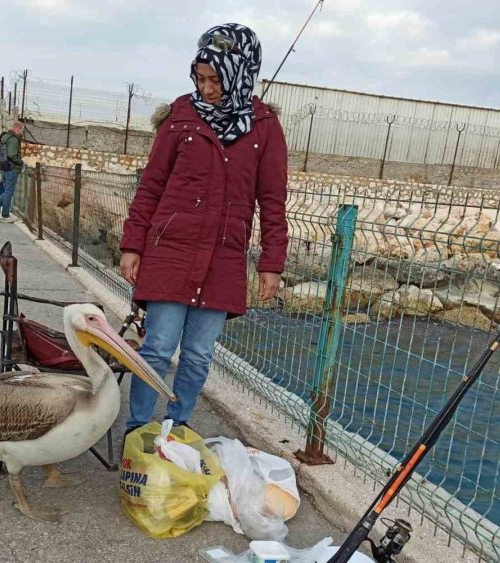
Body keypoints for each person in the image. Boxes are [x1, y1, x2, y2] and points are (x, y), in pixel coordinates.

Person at [119, 23, 288, 437]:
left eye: (215, 79)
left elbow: (272, 200)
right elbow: (151, 185)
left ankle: (176, 431)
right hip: (170, 251)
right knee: (157, 349)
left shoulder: (264, 128)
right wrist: (133, 244)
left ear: (240, 73)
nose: (207, 88)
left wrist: (272, 262)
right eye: (200, 78)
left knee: (197, 355)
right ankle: (139, 430)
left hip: (225, 258)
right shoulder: (179, 117)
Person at [0, 121, 24, 223]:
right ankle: (5, 215)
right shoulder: (13, 139)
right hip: (11, 169)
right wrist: (21, 162)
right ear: (17, 129)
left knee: (6, 191)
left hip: (4, 168)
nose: (22, 133)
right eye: (22, 130)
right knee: (9, 191)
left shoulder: (5, 137)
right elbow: (12, 154)